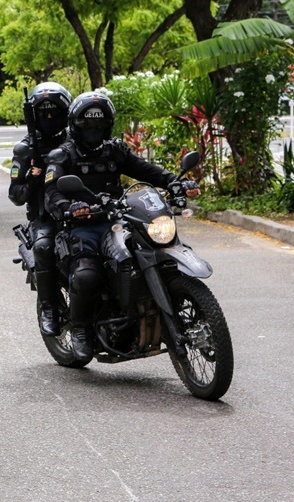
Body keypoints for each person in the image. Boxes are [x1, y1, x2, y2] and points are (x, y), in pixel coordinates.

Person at [43, 91, 201, 362]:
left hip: (117, 218)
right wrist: (69, 208)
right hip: (83, 224)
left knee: (153, 248)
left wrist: (174, 182)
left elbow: (146, 170)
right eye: (87, 124)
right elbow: (51, 192)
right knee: (86, 274)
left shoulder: (114, 150)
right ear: (75, 125)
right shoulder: (62, 155)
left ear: (108, 125)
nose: (94, 129)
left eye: (100, 124)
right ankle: (80, 329)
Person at [8, 82, 73, 336]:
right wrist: (33, 180)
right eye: (43, 113)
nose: (49, 118)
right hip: (44, 218)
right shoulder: (26, 149)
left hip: (77, 212)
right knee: (44, 248)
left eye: (54, 112)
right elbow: (15, 195)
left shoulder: (74, 142)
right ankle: (49, 307)